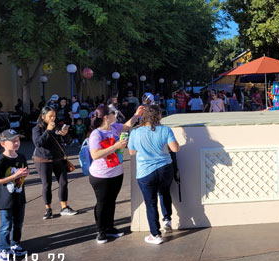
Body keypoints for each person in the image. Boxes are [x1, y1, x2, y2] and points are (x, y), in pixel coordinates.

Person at [88, 104, 144, 244]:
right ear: (106, 117)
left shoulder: (114, 127)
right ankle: (100, 231)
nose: (116, 114)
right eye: (113, 113)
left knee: (111, 201)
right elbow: (95, 155)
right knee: (102, 202)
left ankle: (109, 227)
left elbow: (126, 126)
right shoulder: (96, 134)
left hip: (116, 172)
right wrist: (115, 147)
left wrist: (137, 115)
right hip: (101, 175)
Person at [128, 105, 179, 245]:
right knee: (165, 192)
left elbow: (131, 153)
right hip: (164, 169)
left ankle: (156, 235)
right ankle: (167, 220)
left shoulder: (135, 132)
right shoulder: (165, 130)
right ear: (159, 116)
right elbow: (175, 148)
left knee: (150, 203)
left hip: (145, 172)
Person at [32, 106, 78, 219]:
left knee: (63, 182)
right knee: (47, 185)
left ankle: (64, 207)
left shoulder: (56, 126)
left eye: (54, 116)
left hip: (58, 158)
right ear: (43, 117)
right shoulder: (37, 129)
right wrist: (48, 130)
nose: (53, 118)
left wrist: (65, 134)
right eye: (50, 116)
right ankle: (48, 209)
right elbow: (38, 143)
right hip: (43, 160)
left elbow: (69, 141)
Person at [0, 130, 30, 261]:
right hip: (5, 199)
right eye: (13, 141)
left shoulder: (21, 156)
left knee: (18, 223)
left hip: (19, 196)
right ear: (3, 143)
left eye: (18, 140)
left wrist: (24, 173)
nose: (17, 143)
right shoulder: (0, 160)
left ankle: (15, 244)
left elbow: (24, 170)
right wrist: (14, 176)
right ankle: (4, 249)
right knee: (6, 224)